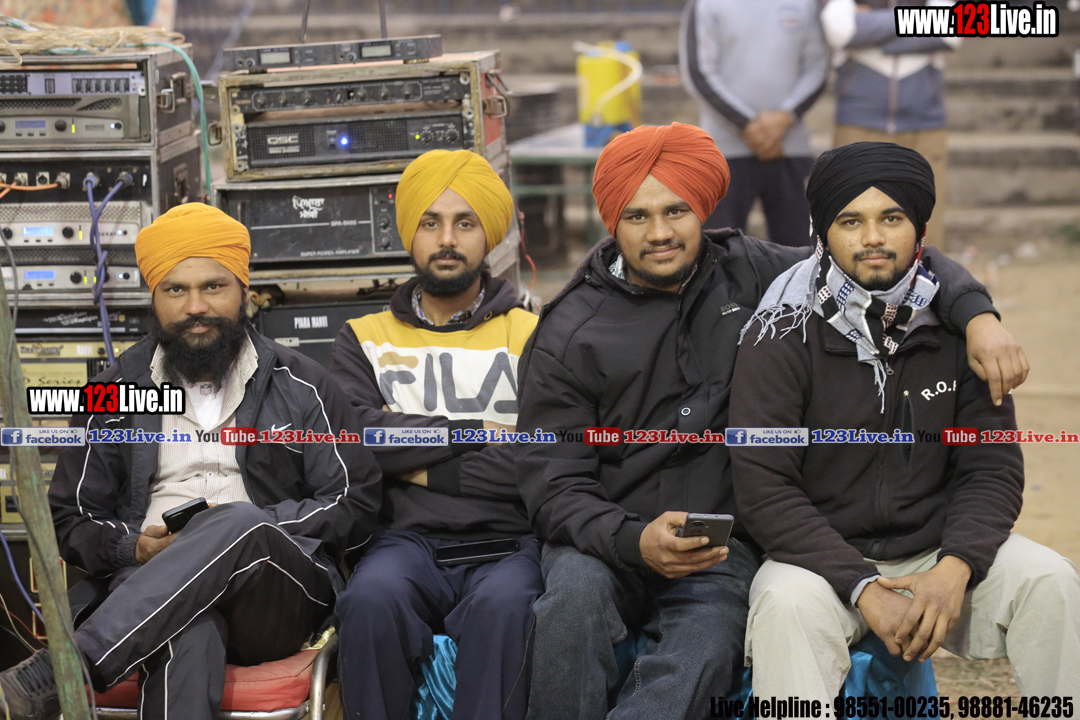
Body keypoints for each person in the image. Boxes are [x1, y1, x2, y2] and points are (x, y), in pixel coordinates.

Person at [514, 123, 1028, 720]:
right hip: (600, 541)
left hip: (720, 547)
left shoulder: (757, 273)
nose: (659, 233)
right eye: (637, 216)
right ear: (612, 222)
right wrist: (631, 539)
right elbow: (552, 482)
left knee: (706, 645)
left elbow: (879, 254)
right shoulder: (567, 331)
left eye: (676, 210)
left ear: (703, 208)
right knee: (570, 611)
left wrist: (978, 315)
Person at [0, 204, 382, 720]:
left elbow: (353, 501)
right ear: (154, 298)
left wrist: (248, 528)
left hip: (275, 592)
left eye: (213, 287)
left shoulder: (303, 384)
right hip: (151, 592)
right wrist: (134, 547)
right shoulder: (112, 392)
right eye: (175, 290)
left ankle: (68, 665)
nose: (195, 306)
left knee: (237, 522)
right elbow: (72, 518)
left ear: (243, 290)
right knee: (187, 630)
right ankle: (82, 658)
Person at [730, 141, 1078, 699]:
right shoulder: (780, 332)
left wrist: (955, 567)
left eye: (891, 218)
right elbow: (764, 487)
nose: (872, 237)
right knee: (785, 605)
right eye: (851, 221)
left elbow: (991, 468)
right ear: (823, 233)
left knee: (1050, 581)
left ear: (918, 229)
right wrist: (862, 587)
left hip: (937, 553)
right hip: (818, 560)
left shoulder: (960, 326)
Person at [329, 149, 542, 720]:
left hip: (511, 542)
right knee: (369, 602)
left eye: (464, 223)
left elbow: (539, 458)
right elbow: (357, 440)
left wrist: (411, 462)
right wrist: (475, 430)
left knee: (508, 609)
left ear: (488, 235)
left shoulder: (534, 333)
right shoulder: (363, 337)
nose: (447, 239)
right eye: (431, 222)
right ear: (410, 233)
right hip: (403, 543)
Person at [680, 0, 828, 246]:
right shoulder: (706, 4)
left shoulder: (805, 3)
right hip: (723, 151)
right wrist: (748, 125)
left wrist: (785, 117)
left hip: (791, 147)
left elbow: (817, 67)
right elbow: (699, 72)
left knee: (803, 249)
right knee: (719, 252)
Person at [820, 0, 961, 249]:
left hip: (923, 123)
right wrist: (915, 21)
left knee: (924, 219)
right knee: (853, 215)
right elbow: (840, 31)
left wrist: (870, 30)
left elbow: (951, 30)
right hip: (859, 120)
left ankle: (923, 275)